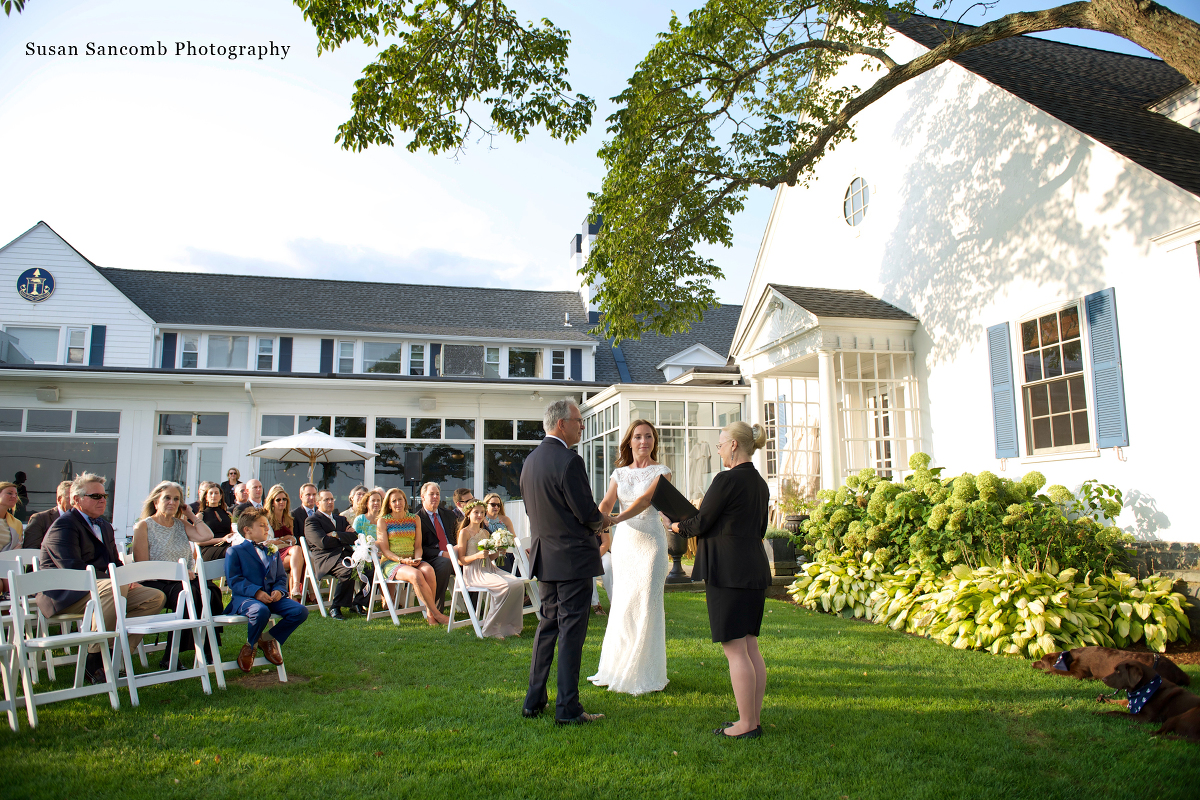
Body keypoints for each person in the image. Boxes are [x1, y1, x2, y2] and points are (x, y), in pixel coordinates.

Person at [671, 421, 771, 739]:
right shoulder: (760, 483)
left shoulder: (726, 479)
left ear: (733, 446)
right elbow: (759, 529)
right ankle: (751, 720)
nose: (718, 450)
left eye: (720, 443)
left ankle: (745, 725)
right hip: (754, 569)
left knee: (735, 649)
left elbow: (701, 522)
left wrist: (675, 526)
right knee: (750, 646)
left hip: (728, 572)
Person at [521, 399, 607, 725]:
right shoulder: (570, 461)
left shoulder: (529, 462)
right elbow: (586, 513)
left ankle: (534, 699)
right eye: (578, 420)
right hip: (572, 559)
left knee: (547, 627)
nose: (581, 425)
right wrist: (603, 521)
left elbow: (535, 512)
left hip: (546, 558)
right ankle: (568, 709)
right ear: (561, 424)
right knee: (571, 632)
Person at [38, 472, 166, 685]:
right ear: (76, 500)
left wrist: (127, 577)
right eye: (95, 496)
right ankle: (95, 658)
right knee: (114, 587)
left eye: (104, 495)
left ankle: (117, 655)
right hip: (65, 593)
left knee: (154, 597)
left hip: (101, 588)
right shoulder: (65, 525)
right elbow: (72, 569)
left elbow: (114, 562)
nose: (103, 500)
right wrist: (117, 580)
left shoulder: (104, 526)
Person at [588, 419, 672, 696]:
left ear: (654, 441)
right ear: (630, 442)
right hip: (624, 545)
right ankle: (615, 668)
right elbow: (606, 503)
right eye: (638, 437)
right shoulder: (619, 474)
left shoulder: (662, 472)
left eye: (649, 436)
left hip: (651, 544)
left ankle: (644, 672)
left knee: (647, 602)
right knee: (623, 604)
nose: (644, 441)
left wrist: (615, 519)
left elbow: (646, 500)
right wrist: (600, 518)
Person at [131, 481, 223, 669]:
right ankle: (171, 655)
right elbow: (142, 567)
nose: (172, 502)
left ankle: (205, 646)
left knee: (211, 591)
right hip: (156, 581)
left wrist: (189, 514)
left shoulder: (180, 523)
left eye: (176, 499)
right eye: (167, 498)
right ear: (156, 502)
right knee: (190, 594)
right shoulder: (144, 526)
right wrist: (177, 573)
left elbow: (206, 536)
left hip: (184, 578)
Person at [226, 507, 309, 672]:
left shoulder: (272, 551)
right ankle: (251, 646)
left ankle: (266, 639)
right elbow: (234, 580)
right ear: (247, 530)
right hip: (246, 599)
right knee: (260, 610)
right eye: (262, 525)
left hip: (272, 598)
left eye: (267, 525)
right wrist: (257, 592)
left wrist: (279, 590)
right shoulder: (235, 551)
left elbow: (280, 577)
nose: (267, 529)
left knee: (300, 611)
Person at [375, 489, 448, 625]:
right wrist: (402, 560)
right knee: (416, 575)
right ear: (389, 504)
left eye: (400, 499)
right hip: (392, 562)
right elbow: (385, 551)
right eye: (394, 501)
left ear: (405, 501)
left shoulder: (415, 519)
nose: (398, 503)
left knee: (429, 571)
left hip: (413, 559)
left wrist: (418, 559)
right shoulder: (383, 521)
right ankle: (436, 614)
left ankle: (430, 614)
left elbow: (418, 546)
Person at [456, 500, 525, 638]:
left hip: (489, 569)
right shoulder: (464, 533)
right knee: (505, 586)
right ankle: (491, 628)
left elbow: (490, 557)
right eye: (476, 512)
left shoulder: (485, 533)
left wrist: (499, 551)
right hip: (474, 573)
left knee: (518, 584)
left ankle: (508, 626)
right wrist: (476, 555)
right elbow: (461, 560)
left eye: (482, 512)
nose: (480, 515)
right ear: (468, 514)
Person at [303, 489, 357, 620]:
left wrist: (336, 534)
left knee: (369, 568)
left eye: (332, 499)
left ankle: (359, 603)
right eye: (326, 499)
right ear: (317, 503)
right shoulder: (312, 521)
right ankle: (336, 607)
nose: (330, 502)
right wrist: (344, 536)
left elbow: (354, 537)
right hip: (327, 559)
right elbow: (323, 543)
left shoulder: (341, 519)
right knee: (348, 571)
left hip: (346, 555)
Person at [415, 482, 457, 614]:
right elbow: (418, 547)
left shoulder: (449, 515)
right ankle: (435, 609)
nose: (435, 497)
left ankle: (474, 608)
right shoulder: (417, 518)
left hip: (454, 555)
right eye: (431, 494)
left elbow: (457, 536)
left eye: (437, 494)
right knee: (445, 563)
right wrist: (441, 553)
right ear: (423, 497)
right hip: (432, 558)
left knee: (473, 561)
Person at [262, 484, 301, 599]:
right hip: (272, 553)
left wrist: (291, 539)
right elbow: (266, 542)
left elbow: (292, 539)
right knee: (298, 553)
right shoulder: (266, 518)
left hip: (288, 552)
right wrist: (283, 540)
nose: (281, 502)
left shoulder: (289, 518)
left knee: (298, 558)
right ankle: (296, 589)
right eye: (278, 499)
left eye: (284, 499)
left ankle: (294, 592)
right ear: (272, 502)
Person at [23, 480, 73, 550]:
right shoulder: (40, 519)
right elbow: (30, 550)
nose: (75, 502)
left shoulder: (84, 519)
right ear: (60, 499)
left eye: (78, 498)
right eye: (71, 498)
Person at [196, 481, 236, 561]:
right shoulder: (200, 516)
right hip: (209, 548)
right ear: (206, 497)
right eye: (210, 493)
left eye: (216, 493)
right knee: (233, 550)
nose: (213, 495)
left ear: (221, 496)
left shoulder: (228, 514)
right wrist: (222, 539)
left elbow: (234, 533)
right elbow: (198, 542)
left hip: (228, 545)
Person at [481, 492, 517, 573]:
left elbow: (514, 537)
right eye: (493, 504)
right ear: (486, 505)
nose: (496, 507)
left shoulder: (505, 519)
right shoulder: (481, 520)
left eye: (499, 505)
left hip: (506, 551)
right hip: (491, 553)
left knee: (515, 557)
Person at [0, 481, 22, 556]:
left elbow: (18, 548)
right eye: (9, 493)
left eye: (16, 494)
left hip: (7, 564)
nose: (14, 496)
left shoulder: (17, 523)